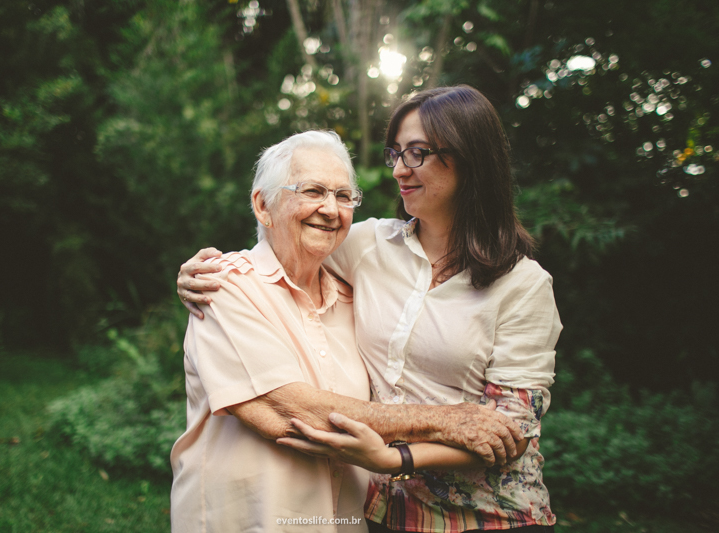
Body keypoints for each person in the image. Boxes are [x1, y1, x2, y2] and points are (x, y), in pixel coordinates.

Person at [178, 85, 562, 532]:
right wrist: (209, 271)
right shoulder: (368, 245)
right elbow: (285, 243)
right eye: (395, 153)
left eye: (416, 153)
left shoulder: (523, 284)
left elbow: (510, 432)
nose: (399, 169)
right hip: (389, 513)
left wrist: (395, 457)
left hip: (488, 516)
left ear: (469, 159)